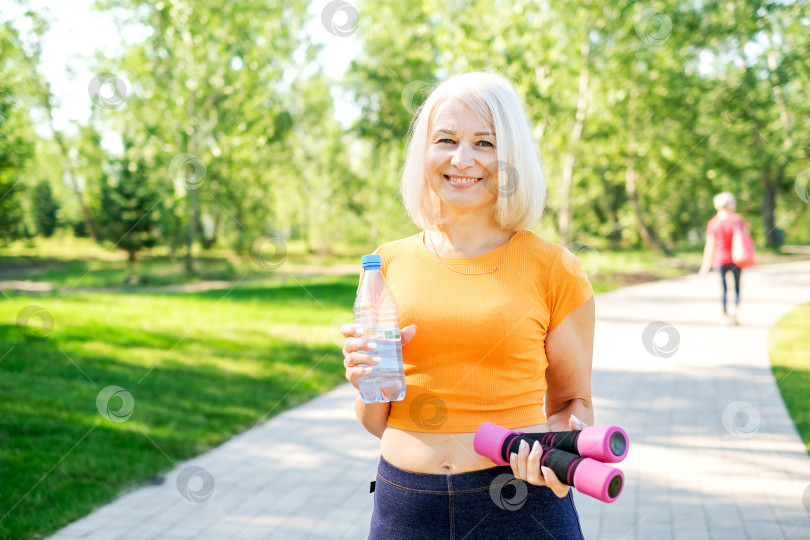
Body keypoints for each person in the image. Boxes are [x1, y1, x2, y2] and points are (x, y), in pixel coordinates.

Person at [339, 72, 595, 539]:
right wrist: (365, 381)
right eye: (446, 139)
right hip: (406, 508)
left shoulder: (556, 268)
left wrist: (557, 451)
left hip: (519, 505)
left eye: (484, 143)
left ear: (511, 155)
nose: (462, 159)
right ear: (425, 152)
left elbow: (572, 404)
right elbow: (376, 420)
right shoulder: (385, 264)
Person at [699, 191, 748, 325]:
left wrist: (705, 266)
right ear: (727, 205)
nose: (734, 204)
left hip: (719, 260)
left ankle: (725, 316)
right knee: (737, 286)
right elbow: (745, 238)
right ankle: (734, 310)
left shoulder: (713, 223)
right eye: (732, 202)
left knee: (724, 289)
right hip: (736, 259)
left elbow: (710, 245)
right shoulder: (737, 219)